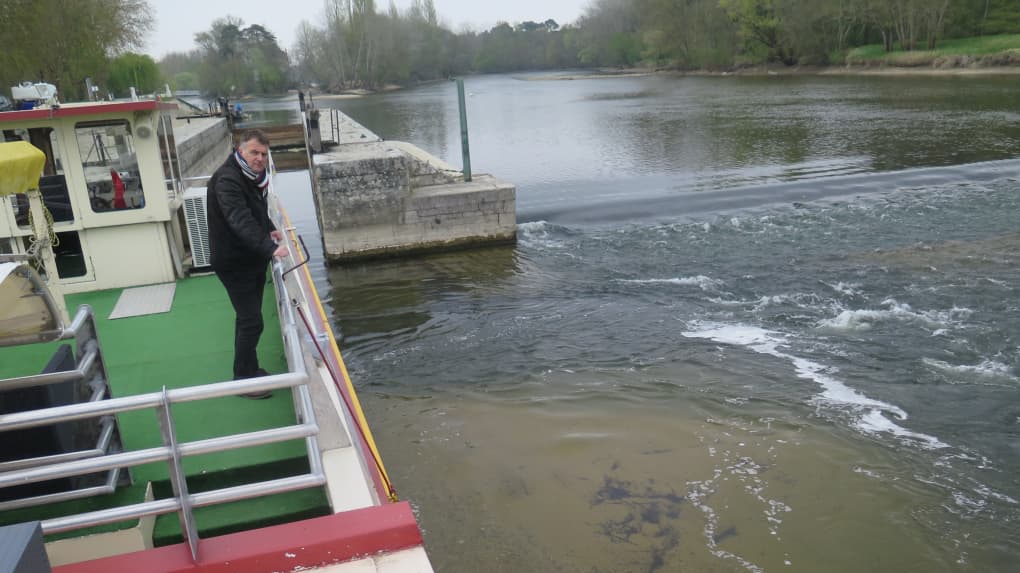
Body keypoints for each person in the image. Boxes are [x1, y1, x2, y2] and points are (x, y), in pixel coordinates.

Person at [207, 129, 288, 398]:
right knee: (252, 321)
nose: (260, 158)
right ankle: (242, 379)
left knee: (247, 320)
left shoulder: (250, 176)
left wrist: (270, 227)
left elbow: (255, 210)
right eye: (254, 152)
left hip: (249, 259)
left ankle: (251, 370)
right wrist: (271, 249)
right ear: (240, 151)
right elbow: (239, 218)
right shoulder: (227, 180)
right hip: (234, 262)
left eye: (264, 154)